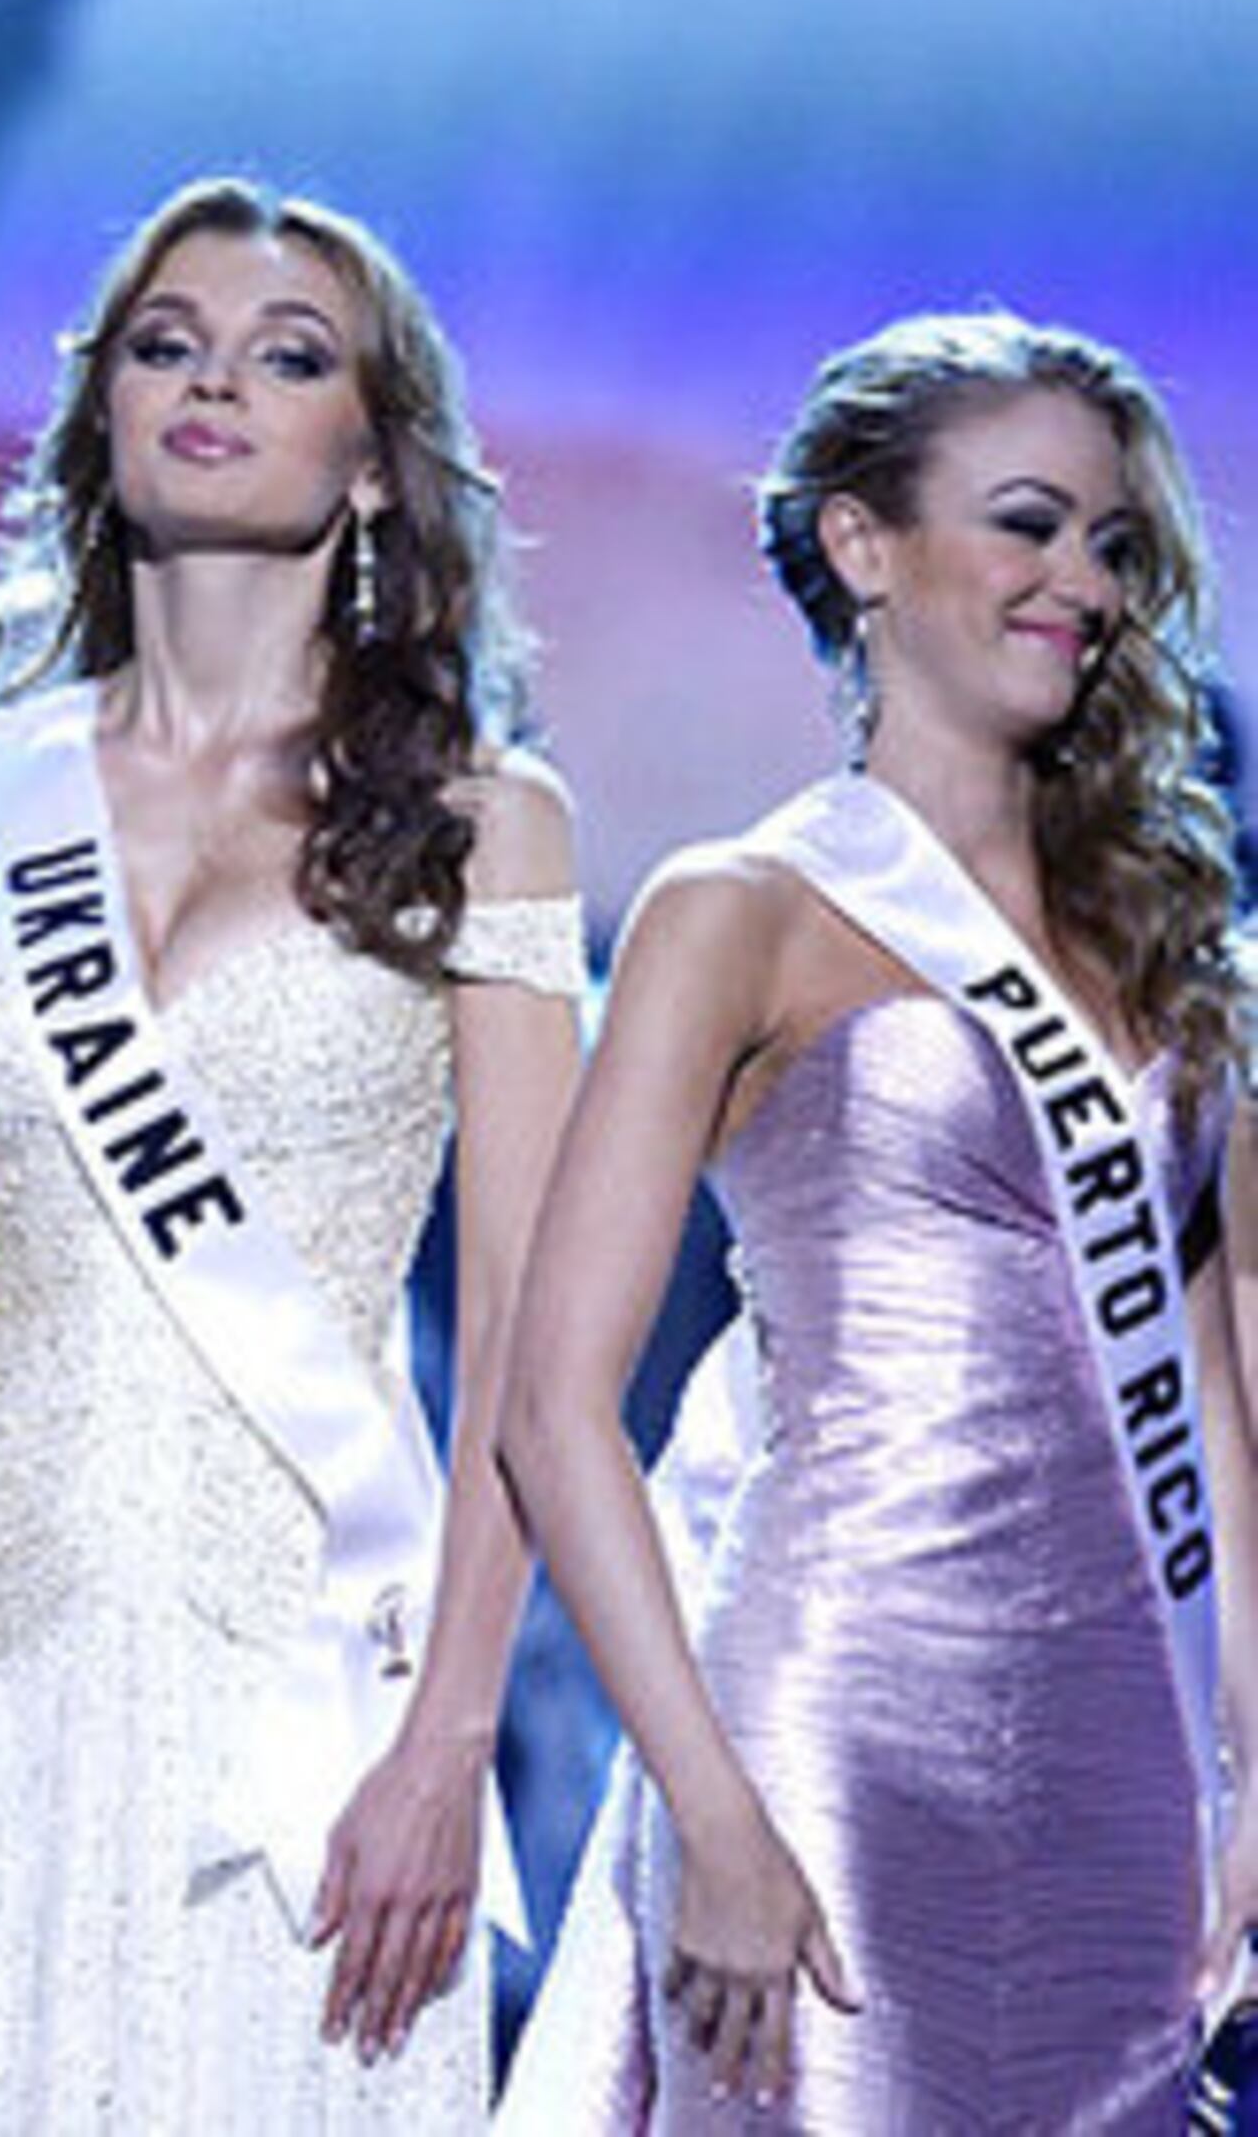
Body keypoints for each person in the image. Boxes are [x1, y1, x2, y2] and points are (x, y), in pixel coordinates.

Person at [0, 174, 585, 2127]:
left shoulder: (480, 820)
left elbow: (535, 1322)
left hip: (318, 1636)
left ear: (374, 460)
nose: (214, 383)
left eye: (287, 357)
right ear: (103, 413)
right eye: (168, 345)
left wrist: (451, 1738)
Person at [497, 311, 1258, 2126]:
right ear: (864, 543)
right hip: (836, 1731)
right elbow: (551, 1408)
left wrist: (1253, 1782)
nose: (1078, 577)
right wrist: (712, 1810)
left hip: (1135, 1768)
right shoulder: (738, 910)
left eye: (1112, 542)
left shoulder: (1175, 955)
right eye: (1027, 521)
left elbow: (1223, 1411)